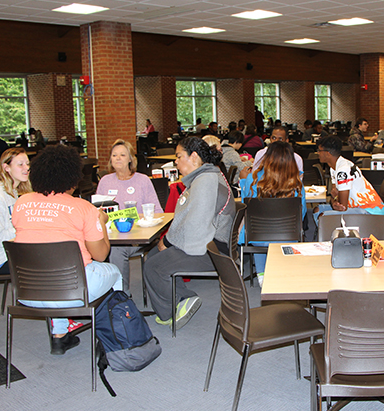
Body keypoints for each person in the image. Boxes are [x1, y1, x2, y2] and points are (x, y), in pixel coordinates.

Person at [12, 145, 123, 355]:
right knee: (114, 273)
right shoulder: (83, 208)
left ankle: (60, 336)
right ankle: (114, 334)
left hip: (28, 289)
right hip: (73, 290)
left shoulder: (21, 202)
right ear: (73, 178)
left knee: (52, 268)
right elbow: (101, 255)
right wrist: (101, 221)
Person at [143, 137, 234, 329]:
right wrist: (168, 242)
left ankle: (173, 309)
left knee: (153, 266)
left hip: (213, 251)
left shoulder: (206, 180)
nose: (176, 161)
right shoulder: (205, 176)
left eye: (179, 156)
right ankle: (181, 299)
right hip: (210, 242)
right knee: (152, 256)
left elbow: (195, 224)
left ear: (193, 157)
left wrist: (168, 242)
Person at [96, 139, 162, 294]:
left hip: (139, 236)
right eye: (114, 155)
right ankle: (118, 293)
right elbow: (97, 212)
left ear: (131, 159)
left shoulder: (142, 180)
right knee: (113, 247)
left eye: (122, 155)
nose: (117, 158)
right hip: (112, 234)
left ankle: (121, 295)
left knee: (117, 250)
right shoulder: (105, 181)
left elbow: (157, 211)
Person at [239, 141, 306, 281]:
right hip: (289, 234)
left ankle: (261, 274)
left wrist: (242, 181)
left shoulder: (252, 178)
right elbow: (302, 211)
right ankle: (284, 271)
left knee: (258, 229)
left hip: (257, 236)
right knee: (268, 231)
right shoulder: (296, 181)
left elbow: (246, 208)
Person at [315, 135, 384, 223]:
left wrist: (335, 201)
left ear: (327, 153)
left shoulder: (343, 169)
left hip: (370, 211)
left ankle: (337, 235)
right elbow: (334, 195)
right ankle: (334, 234)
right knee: (317, 210)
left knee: (323, 217)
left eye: (319, 151)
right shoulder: (334, 167)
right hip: (355, 207)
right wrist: (335, 201)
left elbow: (342, 206)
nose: (318, 153)